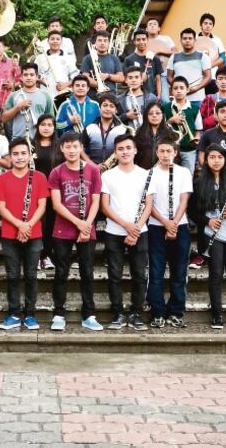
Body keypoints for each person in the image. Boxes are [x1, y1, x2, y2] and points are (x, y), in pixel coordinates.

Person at [0, 138, 50, 330]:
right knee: (13, 275)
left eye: (23, 153)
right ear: (10, 156)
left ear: (29, 155)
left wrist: (28, 226)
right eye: (15, 154)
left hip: (34, 234)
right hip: (10, 234)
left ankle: (30, 315)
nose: (19, 157)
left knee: (32, 275)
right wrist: (20, 225)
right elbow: (1, 208)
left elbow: (42, 206)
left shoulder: (40, 177)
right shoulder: (2, 179)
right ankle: (14, 314)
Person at [48, 132, 103, 331]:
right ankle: (58, 313)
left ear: (82, 148)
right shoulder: (56, 172)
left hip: (87, 229)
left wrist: (86, 225)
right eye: (67, 147)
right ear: (61, 148)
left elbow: (96, 201)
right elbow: (56, 204)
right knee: (61, 272)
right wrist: (77, 223)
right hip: (62, 230)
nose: (72, 150)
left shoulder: (93, 171)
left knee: (87, 272)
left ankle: (89, 314)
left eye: (75, 146)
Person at [191, 145, 226, 330]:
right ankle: (217, 315)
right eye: (212, 157)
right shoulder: (199, 183)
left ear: (225, 160)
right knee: (215, 274)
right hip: (211, 236)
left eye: (220, 157)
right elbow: (193, 211)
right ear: (206, 160)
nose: (216, 160)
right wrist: (207, 221)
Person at [100, 133, 154, 330]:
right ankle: (117, 314)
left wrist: (135, 228)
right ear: (115, 152)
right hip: (114, 232)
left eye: (128, 148)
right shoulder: (107, 176)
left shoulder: (146, 174)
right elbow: (105, 207)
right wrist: (126, 225)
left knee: (139, 274)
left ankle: (137, 313)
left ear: (135, 150)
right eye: (120, 149)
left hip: (140, 232)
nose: (124, 152)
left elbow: (149, 205)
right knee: (114, 274)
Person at [147, 138, 193, 329]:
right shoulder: (150, 173)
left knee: (179, 272)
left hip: (179, 226)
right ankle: (157, 312)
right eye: (162, 151)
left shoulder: (183, 172)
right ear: (157, 153)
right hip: (156, 226)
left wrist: (173, 224)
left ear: (175, 152)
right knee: (156, 271)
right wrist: (165, 222)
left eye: (169, 151)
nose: (165, 155)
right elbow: (149, 204)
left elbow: (184, 200)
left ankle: (176, 312)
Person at [31, 113, 58, 271]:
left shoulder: (59, 145)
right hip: (36, 191)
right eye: (43, 124)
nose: (46, 128)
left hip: (54, 191)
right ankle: (35, 256)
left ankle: (47, 256)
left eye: (50, 125)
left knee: (50, 225)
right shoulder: (31, 145)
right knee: (38, 224)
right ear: (38, 126)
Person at [1, 62, 53, 140]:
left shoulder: (45, 96)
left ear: (37, 77)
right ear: (21, 77)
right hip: (18, 140)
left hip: (39, 140)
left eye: (32, 75)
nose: (28, 78)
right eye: (25, 75)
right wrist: (18, 107)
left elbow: (52, 121)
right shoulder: (13, 95)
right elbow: (4, 119)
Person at [162, 76, 201, 174]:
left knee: (188, 174)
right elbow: (161, 128)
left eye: (181, 88)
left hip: (189, 149)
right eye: (175, 88)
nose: (179, 91)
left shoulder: (194, 108)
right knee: (171, 175)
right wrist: (171, 120)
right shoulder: (166, 108)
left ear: (187, 90)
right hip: (171, 149)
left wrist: (196, 137)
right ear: (171, 91)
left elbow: (198, 128)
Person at [166, 28, 211, 104]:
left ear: (195, 40)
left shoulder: (203, 56)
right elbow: (169, 76)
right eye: (184, 38)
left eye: (190, 38)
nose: (187, 41)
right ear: (180, 40)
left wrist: (196, 88)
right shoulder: (174, 57)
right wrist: (178, 87)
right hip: (179, 99)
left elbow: (208, 77)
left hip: (198, 99)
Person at [83, 94, 125, 168]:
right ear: (99, 108)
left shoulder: (123, 130)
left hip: (116, 170)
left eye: (111, 106)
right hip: (93, 170)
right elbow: (80, 150)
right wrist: (93, 166)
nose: (108, 109)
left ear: (116, 110)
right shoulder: (89, 128)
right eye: (105, 105)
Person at [38, 30, 79, 101]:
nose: (55, 41)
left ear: (61, 41)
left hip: (63, 94)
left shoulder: (68, 58)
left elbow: (76, 77)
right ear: (48, 41)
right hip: (44, 95)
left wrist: (66, 84)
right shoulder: (40, 57)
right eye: (52, 39)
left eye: (58, 39)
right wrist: (40, 80)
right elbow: (35, 76)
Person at [134, 102, 175, 170]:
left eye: (158, 113)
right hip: (143, 172)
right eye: (150, 113)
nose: (154, 116)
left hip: (164, 171)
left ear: (163, 115)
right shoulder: (139, 133)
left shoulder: (169, 133)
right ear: (146, 116)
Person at [124, 28, 163, 97]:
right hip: (134, 96)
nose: (141, 42)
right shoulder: (128, 59)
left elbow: (158, 79)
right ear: (134, 42)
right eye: (138, 40)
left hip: (151, 95)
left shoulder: (155, 58)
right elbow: (125, 80)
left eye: (143, 39)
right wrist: (138, 80)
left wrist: (159, 95)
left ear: (147, 40)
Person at [195, 13, 225, 93]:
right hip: (196, 77)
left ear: (212, 26)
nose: (208, 26)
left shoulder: (217, 40)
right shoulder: (194, 38)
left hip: (212, 77)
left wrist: (210, 65)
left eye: (210, 24)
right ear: (201, 25)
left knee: (212, 102)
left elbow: (223, 57)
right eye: (205, 23)